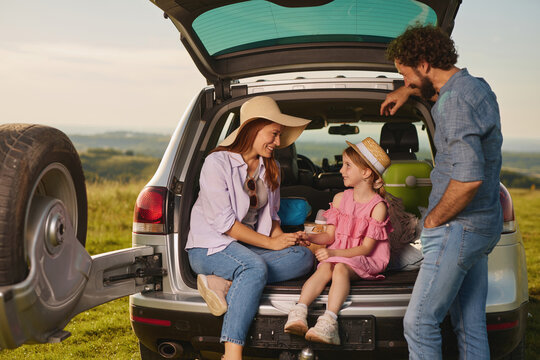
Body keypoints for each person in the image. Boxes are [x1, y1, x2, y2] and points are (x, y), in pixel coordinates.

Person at [380, 25, 503, 359]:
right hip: (482, 226)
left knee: (419, 324)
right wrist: (408, 91)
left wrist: (433, 220)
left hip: (456, 228)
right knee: (470, 325)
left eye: (404, 74)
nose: (404, 82)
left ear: (423, 64)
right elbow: (434, 91)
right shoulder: (475, 88)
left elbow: (467, 179)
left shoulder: (454, 103)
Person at [185, 96, 315, 360]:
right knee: (254, 267)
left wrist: (286, 239)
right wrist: (270, 244)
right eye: (274, 134)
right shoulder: (217, 163)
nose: (278, 143)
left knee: (304, 257)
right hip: (210, 247)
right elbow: (226, 225)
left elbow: (273, 218)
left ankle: (225, 284)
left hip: (247, 247)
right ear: (254, 128)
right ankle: (232, 353)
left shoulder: (272, 167)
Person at [284, 137, 393, 345]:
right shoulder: (340, 199)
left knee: (340, 268)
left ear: (366, 172)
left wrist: (333, 254)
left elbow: (367, 247)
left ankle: (329, 322)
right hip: (340, 253)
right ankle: (299, 310)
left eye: (347, 166)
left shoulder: (378, 207)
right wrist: (311, 237)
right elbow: (330, 236)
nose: (341, 170)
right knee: (324, 269)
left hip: (363, 257)